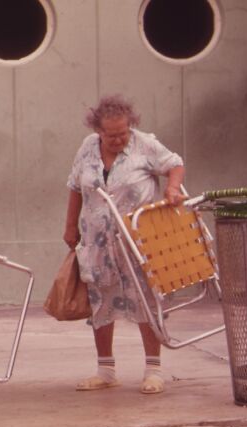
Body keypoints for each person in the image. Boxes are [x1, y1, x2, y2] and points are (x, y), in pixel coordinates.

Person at [64, 95, 186, 395]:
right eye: (111, 135)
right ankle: (105, 370)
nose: (118, 140)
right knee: (101, 301)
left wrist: (171, 187)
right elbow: (74, 186)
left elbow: (175, 164)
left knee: (146, 299)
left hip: (138, 240)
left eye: (123, 133)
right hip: (97, 241)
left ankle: (153, 369)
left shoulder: (145, 145)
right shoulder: (87, 147)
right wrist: (69, 226)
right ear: (99, 131)